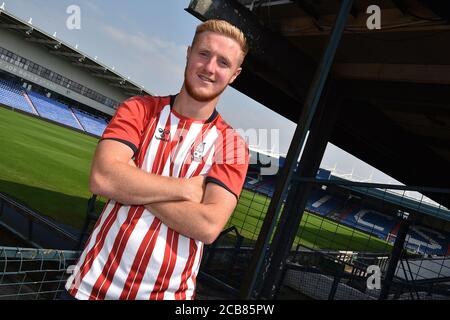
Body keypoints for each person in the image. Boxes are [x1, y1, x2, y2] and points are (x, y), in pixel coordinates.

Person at [63, 19, 249, 300]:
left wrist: (130, 181)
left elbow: (208, 226)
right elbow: (102, 178)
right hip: (90, 287)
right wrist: (185, 189)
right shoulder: (139, 109)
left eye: (223, 63)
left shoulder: (233, 145)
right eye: (203, 54)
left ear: (234, 74)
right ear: (188, 54)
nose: (210, 68)